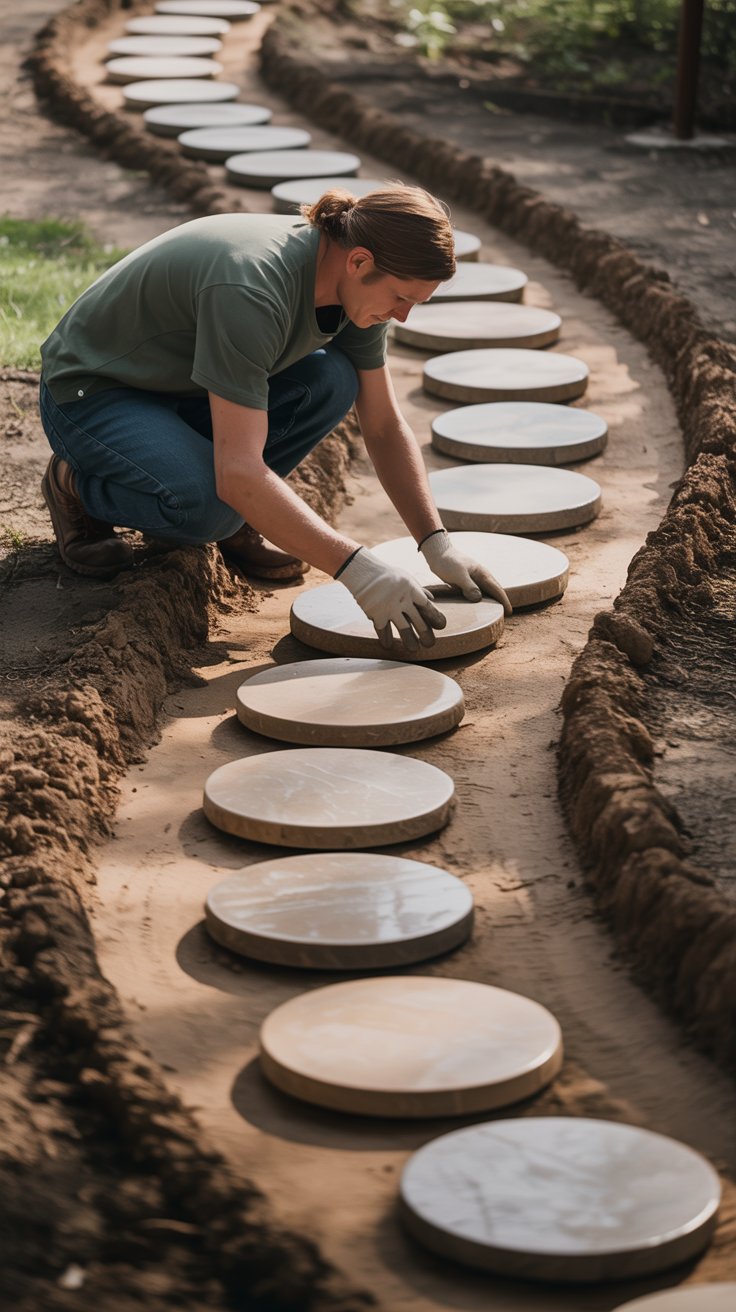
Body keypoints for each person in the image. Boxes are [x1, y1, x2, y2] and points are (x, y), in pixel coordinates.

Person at [39, 184, 511, 652]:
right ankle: (73, 484)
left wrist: (435, 542)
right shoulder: (252, 289)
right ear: (360, 261)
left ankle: (248, 512)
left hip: (181, 386)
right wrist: (359, 570)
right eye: (401, 298)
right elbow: (239, 471)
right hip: (95, 392)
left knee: (333, 378)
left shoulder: (353, 282)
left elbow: (385, 426)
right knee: (208, 509)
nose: (403, 317)